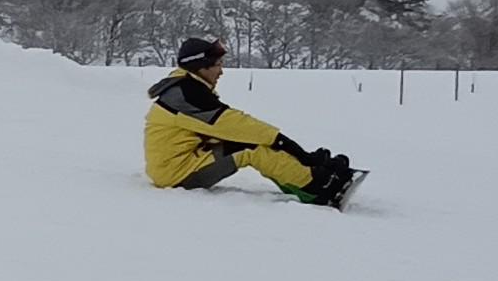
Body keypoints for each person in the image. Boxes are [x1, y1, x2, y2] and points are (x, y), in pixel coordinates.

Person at [146, 36, 356, 205]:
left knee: (253, 143)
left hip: (181, 162)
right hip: (177, 175)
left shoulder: (186, 86)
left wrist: (301, 156)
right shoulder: (187, 95)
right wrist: (286, 143)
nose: (222, 71)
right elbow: (238, 125)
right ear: (201, 66)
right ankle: (317, 186)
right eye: (218, 64)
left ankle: (307, 176)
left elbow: (228, 128)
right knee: (252, 149)